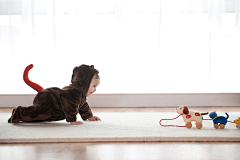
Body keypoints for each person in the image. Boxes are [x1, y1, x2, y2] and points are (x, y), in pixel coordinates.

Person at [8, 64, 101, 125]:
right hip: (49, 99)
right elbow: (70, 106)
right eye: (93, 86)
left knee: (41, 118)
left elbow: (83, 106)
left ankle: (21, 112)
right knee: (41, 113)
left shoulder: (81, 95)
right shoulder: (74, 92)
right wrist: (72, 120)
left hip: (53, 103)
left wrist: (89, 116)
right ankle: (19, 112)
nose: (95, 89)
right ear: (84, 83)